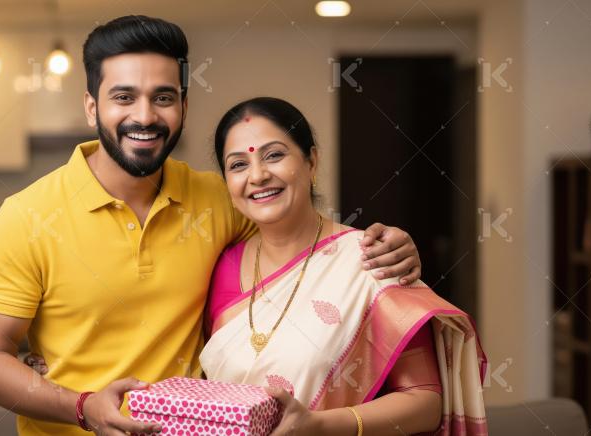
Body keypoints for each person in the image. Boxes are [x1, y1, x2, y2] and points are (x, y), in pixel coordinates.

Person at [0, 16, 423, 436]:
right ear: (92, 107)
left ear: (183, 105)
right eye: (123, 97)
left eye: (163, 97)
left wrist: (382, 244)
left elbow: (306, 248)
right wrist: (83, 407)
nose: (145, 116)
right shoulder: (25, 217)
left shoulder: (216, 199)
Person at [199, 97, 488, 435]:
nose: (258, 175)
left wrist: (322, 425)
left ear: (311, 162)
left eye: (274, 155)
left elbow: (425, 402)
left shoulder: (370, 259)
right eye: (238, 165)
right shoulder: (221, 267)